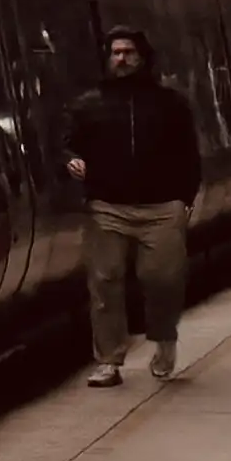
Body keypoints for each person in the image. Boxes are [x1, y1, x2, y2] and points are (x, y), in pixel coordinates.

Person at [61, 25, 203, 386]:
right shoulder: (89, 105)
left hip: (162, 207)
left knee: (163, 279)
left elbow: (189, 154)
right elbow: (66, 144)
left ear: (143, 57)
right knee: (105, 281)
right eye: (115, 53)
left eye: (128, 52)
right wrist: (71, 160)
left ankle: (165, 338)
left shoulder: (170, 103)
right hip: (108, 206)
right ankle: (109, 360)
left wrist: (184, 199)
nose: (121, 59)